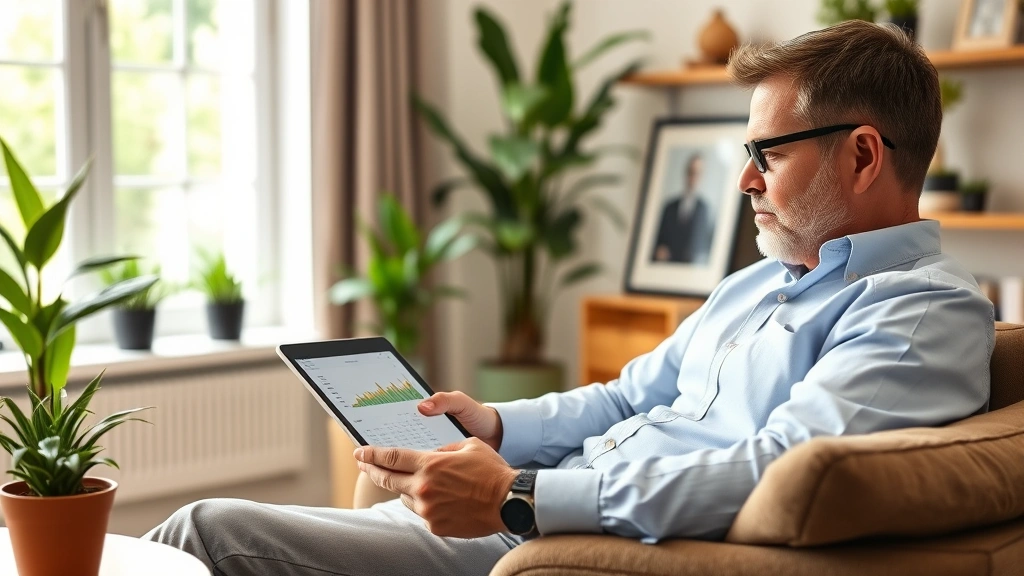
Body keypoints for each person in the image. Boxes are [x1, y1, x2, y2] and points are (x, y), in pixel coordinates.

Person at [144, 20, 994, 576]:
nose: (744, 180)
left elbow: (772, 469)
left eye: (766, 154)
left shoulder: (917, 311)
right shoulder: (760, 282)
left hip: (568, 538)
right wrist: (498, 427)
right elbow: (630, 394)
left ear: (862, 155)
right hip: (540, 503)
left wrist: (517, 495)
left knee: (206, 534)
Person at [652, 153, 715, 264]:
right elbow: (658, 239)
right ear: (686, 173)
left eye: (697, 173)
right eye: (691, 172)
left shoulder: (704, 209)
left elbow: (704, 245)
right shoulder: (669, 206)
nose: (693, 177)